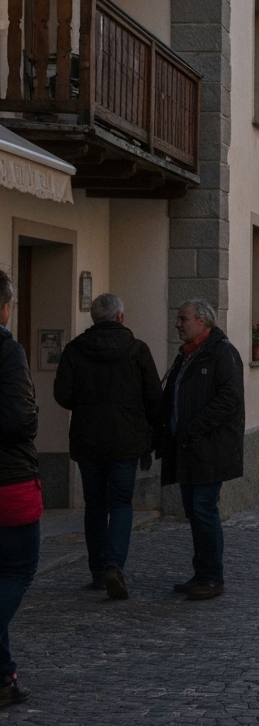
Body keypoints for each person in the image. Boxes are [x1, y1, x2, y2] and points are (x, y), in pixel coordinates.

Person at [53, 293, 161, 600]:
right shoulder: (137, 350)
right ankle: (115, 564)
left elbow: (63, 394)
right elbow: (154, 397)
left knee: (95, 505)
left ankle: (98, 570)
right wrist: (151, 434)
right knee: (121, 504)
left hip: (88, 439)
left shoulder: (75, 350)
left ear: (94, 318)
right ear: (121, 317)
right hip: (127, 440)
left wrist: (86, 403)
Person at [157, 299, 245, 601]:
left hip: (210, 448)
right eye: (178, 318)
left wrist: (193, 428)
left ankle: (212, 577)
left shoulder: (222, 353)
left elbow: (229, 399)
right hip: (189, 448)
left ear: (203, 322)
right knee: (195, 513)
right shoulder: (188, 355)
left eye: (183, 319)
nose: (178, 324)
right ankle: (203, 572)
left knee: (204, 511)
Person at [0, 270, 39, 708]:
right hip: (9, 480)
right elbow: (18, 420)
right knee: (17, 571)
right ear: (5, 306)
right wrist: (33, 415)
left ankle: (4, 677)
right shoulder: (7, 350)